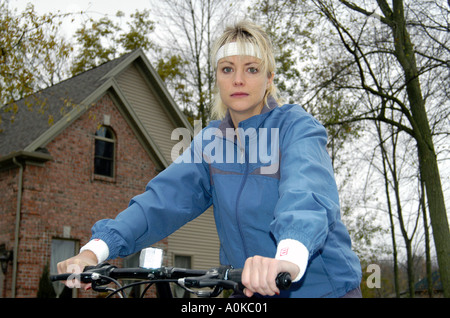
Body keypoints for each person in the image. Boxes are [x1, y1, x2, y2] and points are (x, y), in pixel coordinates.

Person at [57, 20, 362, 298]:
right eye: (227, 69)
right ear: (217, 77)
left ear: (269, 78)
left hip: (322, 290)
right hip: (249, 291)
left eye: (251, 69)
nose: (238, 80)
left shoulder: (295, 127)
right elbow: (161, 202)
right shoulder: (211, 142)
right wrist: (94, 252)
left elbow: (306, 192)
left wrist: (288, 257)